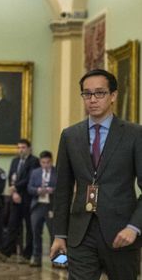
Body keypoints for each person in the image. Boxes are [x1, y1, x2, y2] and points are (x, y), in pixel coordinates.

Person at [51, 69, 142, 280]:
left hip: (121, 233)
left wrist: (134, 227)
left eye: (99, 93)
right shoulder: (70, 136)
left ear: (113, 96)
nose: (93, 99)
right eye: (87, 94)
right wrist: (59, 235)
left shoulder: (134, 134)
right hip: (81, 233)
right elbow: (63, 189)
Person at [0, 139, 39, 262]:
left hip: (28, 199)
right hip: (15, 198)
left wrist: (16, 188)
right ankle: (6, 252)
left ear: (29, 149)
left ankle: (27, 254)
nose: (20, 150)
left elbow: (29, 178)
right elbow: (11, 177)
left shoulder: (34, 161)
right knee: (12, 225)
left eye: (23, 147)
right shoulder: (15, 161)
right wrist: (14, 192)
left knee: (29, 228)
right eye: (19, 147)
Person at [27, 150, 57, 267]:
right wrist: (38, 190)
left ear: (51, 161)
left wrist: (52, 190)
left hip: (51, 207)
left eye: (48, 162)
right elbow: (29, 188)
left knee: (54, 234)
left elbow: (62, 188)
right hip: (37, 206)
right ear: (40, 162)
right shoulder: (35, 172)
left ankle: (57, 260)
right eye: (43, 162)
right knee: (36, 233)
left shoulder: (57, 172)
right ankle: (36, 259)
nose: (45, 165)